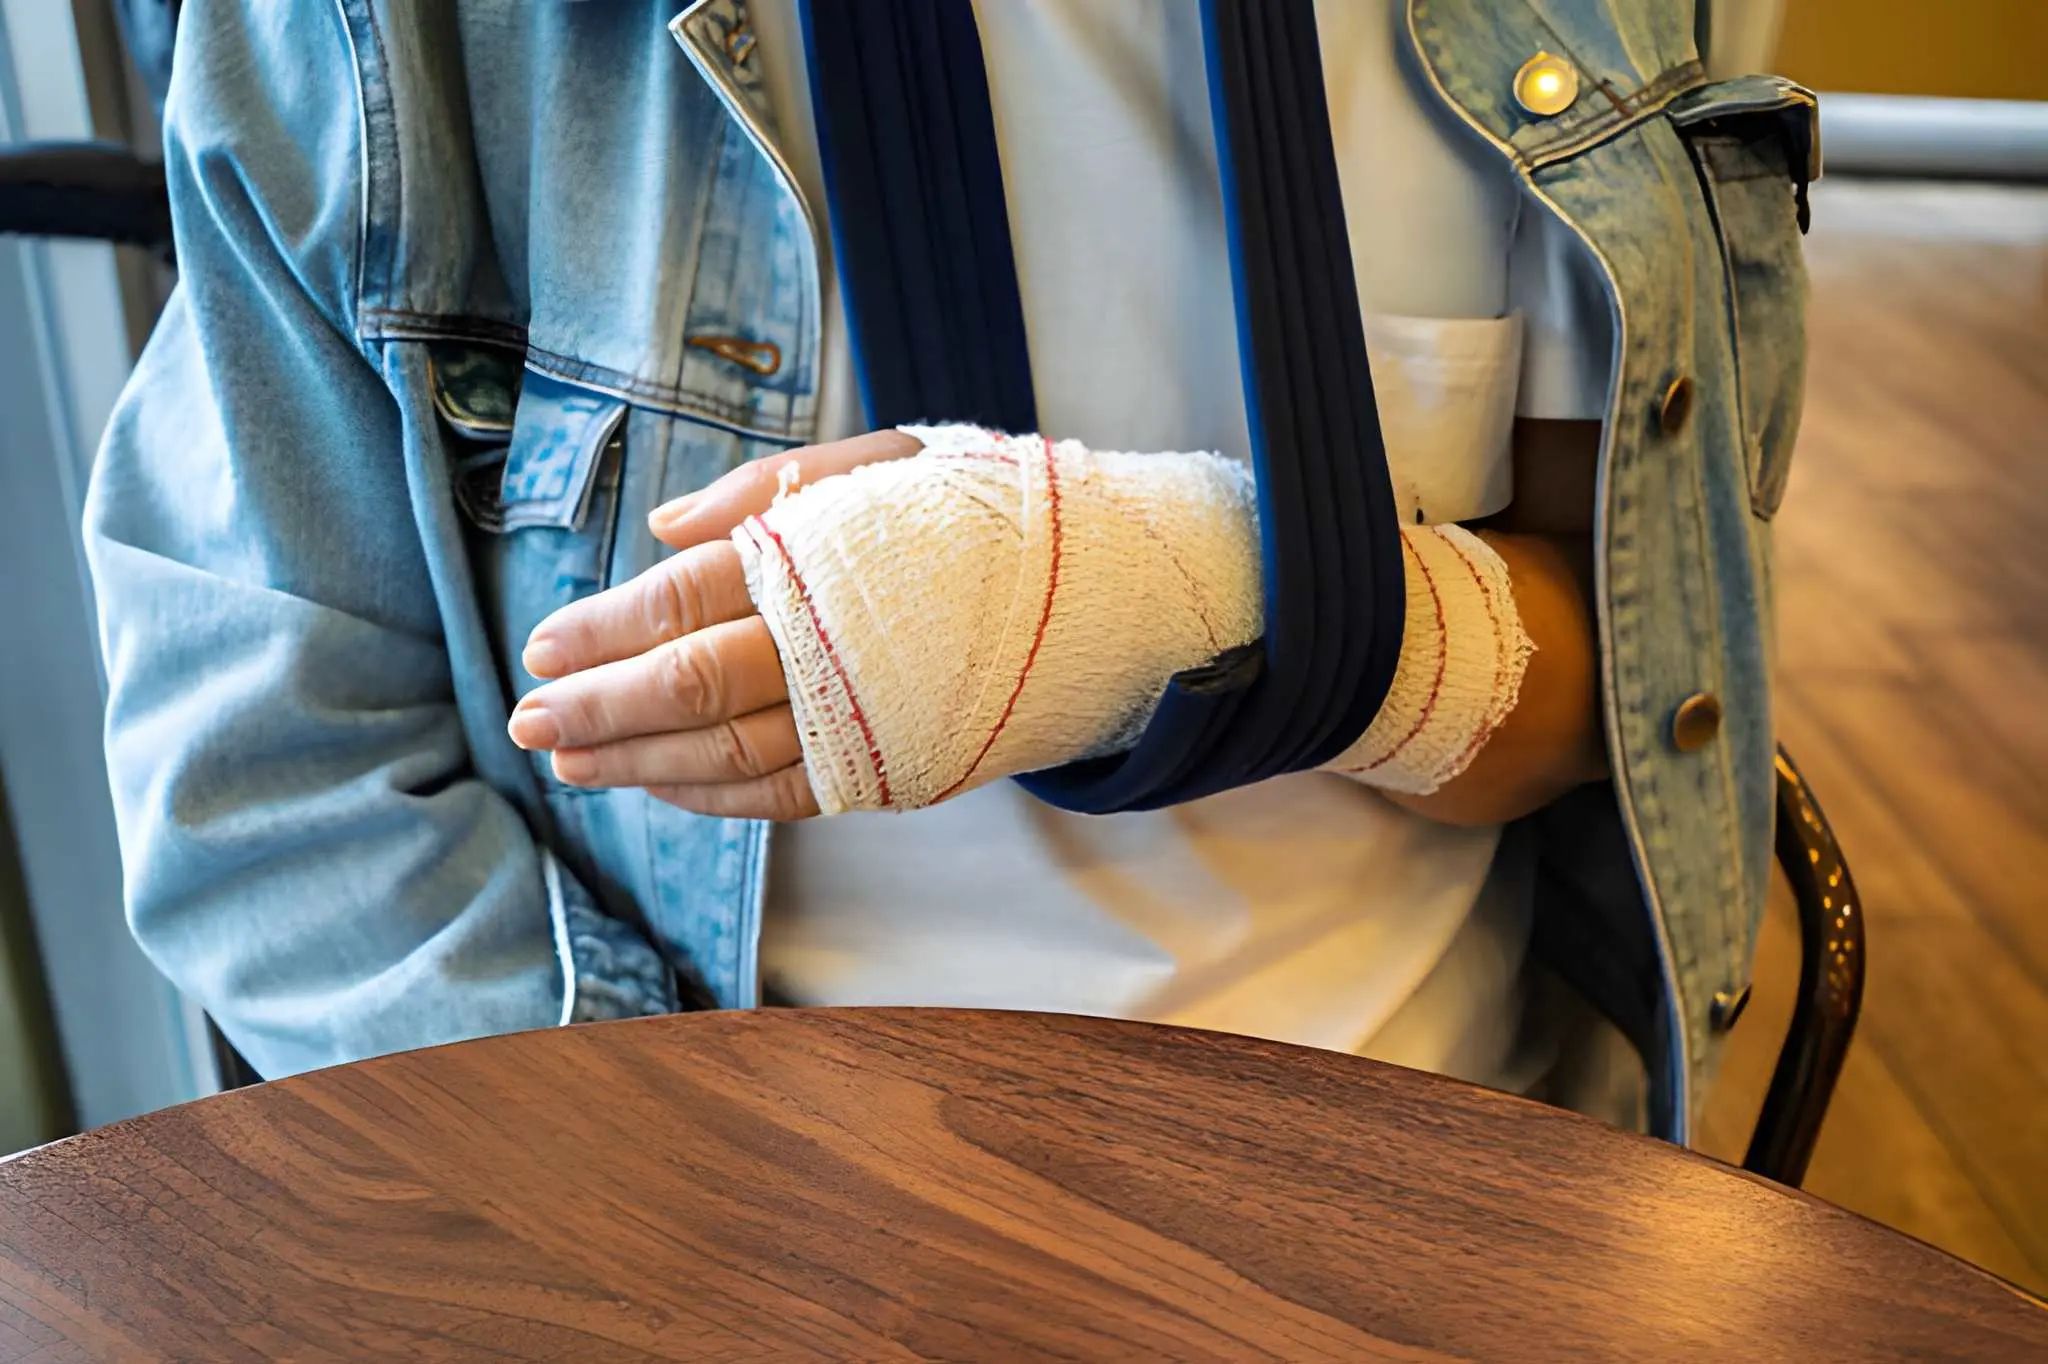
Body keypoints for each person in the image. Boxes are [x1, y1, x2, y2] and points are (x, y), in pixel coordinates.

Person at [86, 0, 1805, 1143]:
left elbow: (1626, 677)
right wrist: (680, 1222)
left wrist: (1174, 584)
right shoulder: (390, 33)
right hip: (707, 1188)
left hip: (1422, 1156)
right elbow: (271, 780)